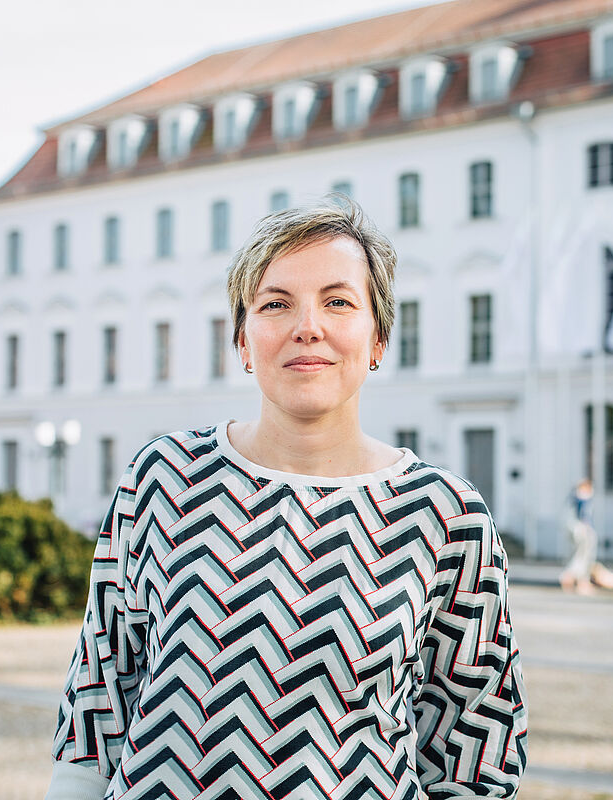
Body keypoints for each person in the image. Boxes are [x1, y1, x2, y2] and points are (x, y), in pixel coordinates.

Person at [45, 199, 528, 799]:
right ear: (243, 341)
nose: (308, 326)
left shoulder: (446, 515)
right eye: (276, 304)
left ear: (377, 338)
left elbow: (476, 757)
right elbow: (98, 701)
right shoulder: (164, 478)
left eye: (338, 302)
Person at [559, 478, 613, 594]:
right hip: (582, 529)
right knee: (584, 556)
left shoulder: (571, 497)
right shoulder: (583, 497)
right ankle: (576, 580)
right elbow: (584, 514)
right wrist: (587, 527)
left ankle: (571, 578)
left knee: (577, 554)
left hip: (572, 528)